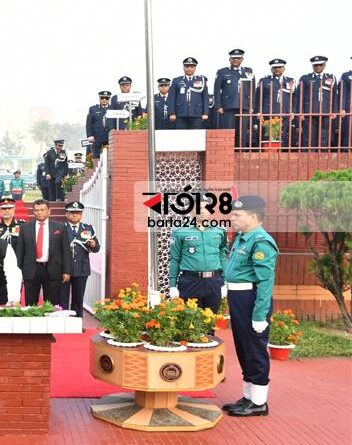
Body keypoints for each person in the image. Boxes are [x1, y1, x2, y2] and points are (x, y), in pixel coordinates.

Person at [221, 195, 278, 417]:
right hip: (239, 299)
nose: (232, 218)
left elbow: (265, 282)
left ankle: (259, 402)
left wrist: (260, 315)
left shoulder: (261, 241)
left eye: (238, 214)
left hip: (251, 301)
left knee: (254, 349)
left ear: (253, 216)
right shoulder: (243, 238)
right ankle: (248, 397)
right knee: (243, 348)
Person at [169, 207, 229, 317]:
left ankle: (209, 335)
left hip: (214, 282)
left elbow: (223, 257)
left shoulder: (220, 231)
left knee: (210, 320)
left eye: (206, 207)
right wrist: (172, 285)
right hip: (190, 282)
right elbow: (175, 259)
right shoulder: (180, 232)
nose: (202, 211)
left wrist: (226, 281)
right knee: (191, 320)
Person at [14, 199, 71, 306]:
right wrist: (18, 272)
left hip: (52, 269)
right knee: (31, 304)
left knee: (52, 304)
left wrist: (66, 271)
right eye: (36, 210)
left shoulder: (60, 227)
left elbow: (65, 251)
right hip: (31, 270)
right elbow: (20, 251)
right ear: (33, 211)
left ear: (49, 211)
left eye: (42, 210)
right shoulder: (25, 228)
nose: (39, 212)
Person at [59, 201, 100, 317]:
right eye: (72, 213)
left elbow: (97, 248)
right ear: (66, 214)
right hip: (64, 268)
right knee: (63, 297)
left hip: (81, 269)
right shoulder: (60, 228)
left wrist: (93, 245)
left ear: (81, 214)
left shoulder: (87, 229)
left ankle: (77, 322)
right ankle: (63, 323)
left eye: (77, 213)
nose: (74, 215)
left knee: (78, 298)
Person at [214, 49, 256, 147]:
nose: (235, 60)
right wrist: (218, 106)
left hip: (244, 105)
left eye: (238, 58)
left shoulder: (248, 71)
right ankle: (229, 150)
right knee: (229, 131)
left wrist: (252, 106)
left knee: (243, 130)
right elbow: (216, 90)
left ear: (242, 59)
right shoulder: (222, 72)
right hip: (228, 106)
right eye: (233, 58)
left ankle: (241, 151)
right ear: (230, 59)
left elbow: (252, 90)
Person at [295, 56, 338, 149]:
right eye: (315, 65)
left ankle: (322, 159)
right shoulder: (305, 78)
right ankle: (308, 159)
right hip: (309, 112)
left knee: (324, 138)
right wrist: (300, 112)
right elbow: (299, 97)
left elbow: (335, 96)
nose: (318, 67)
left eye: (320, 65)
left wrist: (334, 111)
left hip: (326, 112)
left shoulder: (331, 77)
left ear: (324, 65)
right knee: (309, 138)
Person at [256, 58, 296, 147]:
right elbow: (258, 97)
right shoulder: (264, 81)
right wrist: (258, 112)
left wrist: (293, 111)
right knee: (268, 138)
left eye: (280, 67)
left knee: (283, 137)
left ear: (284, 68)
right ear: (271, 69)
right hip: (268, 113)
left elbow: (295, 98)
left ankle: (281, 157)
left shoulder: (291, 81)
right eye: (275, 68)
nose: (277, 69)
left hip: (285, 114)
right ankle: (268, 157)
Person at [167, 57, 210, 129]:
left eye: (192, 66)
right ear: (183, 68)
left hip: (196, 113)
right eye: (187, 66)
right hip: (180, 113)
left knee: (196, 135)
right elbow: (171, 98)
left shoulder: (201, 80)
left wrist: (205, 113)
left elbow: (205, 97)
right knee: (181, 135)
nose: (189, 68)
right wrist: (172, 113)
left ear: (195, 68)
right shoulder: (176, 80)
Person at [86, 91, 113, 159]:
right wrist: (90, 135)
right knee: (96, 157)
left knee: (110, 157)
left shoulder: (113, 109)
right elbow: (89, 123)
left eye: (106, 98)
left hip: (110, 137)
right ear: (99, 98)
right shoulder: (93, 109)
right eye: (102, 98)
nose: (104, 100)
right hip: (97, 137)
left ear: (109, 99)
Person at [336, 58, 351, 147]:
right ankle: (347, 152)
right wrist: (342, 108)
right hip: (349, 109)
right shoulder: (346, 76)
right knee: (348, 133)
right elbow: (342, 92)